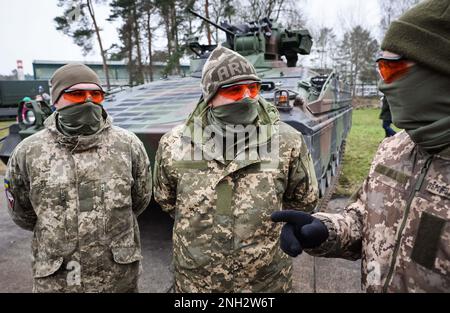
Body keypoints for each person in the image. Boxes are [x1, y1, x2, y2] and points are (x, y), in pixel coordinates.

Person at [271, 0, 450, 292]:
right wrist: (325, 231)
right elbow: (366, 219)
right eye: (380, 69)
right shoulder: (394, 149)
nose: (382, 85)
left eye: (391, 70)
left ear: (439, 73)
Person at [153, 45, 319, 292]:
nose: (246, 97)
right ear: (211, 97)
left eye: (253, 88)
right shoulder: (174, 143)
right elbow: (166, 199)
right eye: (234, 90)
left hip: (264, 283)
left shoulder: (287, 140)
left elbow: (304, 201)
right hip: (196, 283)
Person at [5, 63, 152, 292]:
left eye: (96, 93)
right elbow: (22, 213)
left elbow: (140, 200)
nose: (88, 100)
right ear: (56, 100)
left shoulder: (128, 145)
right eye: (76, 94)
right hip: (58, 280)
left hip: (116, 279)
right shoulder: (28, 152)